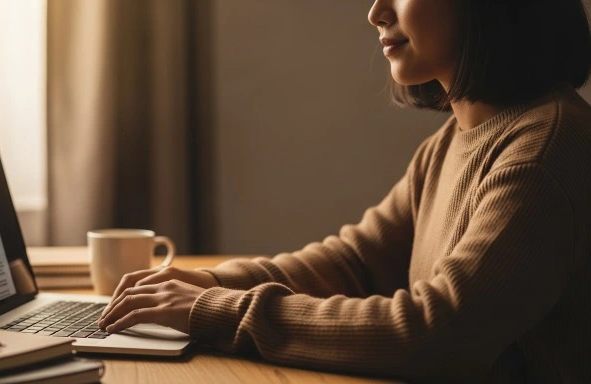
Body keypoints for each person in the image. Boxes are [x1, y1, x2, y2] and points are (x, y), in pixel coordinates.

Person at [98, 0, 591, 381]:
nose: (375, 12)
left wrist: (216, 312)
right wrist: (215, 284)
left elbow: (435, 333)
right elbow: (354, 262)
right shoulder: (454, 142)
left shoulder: (546, 150)